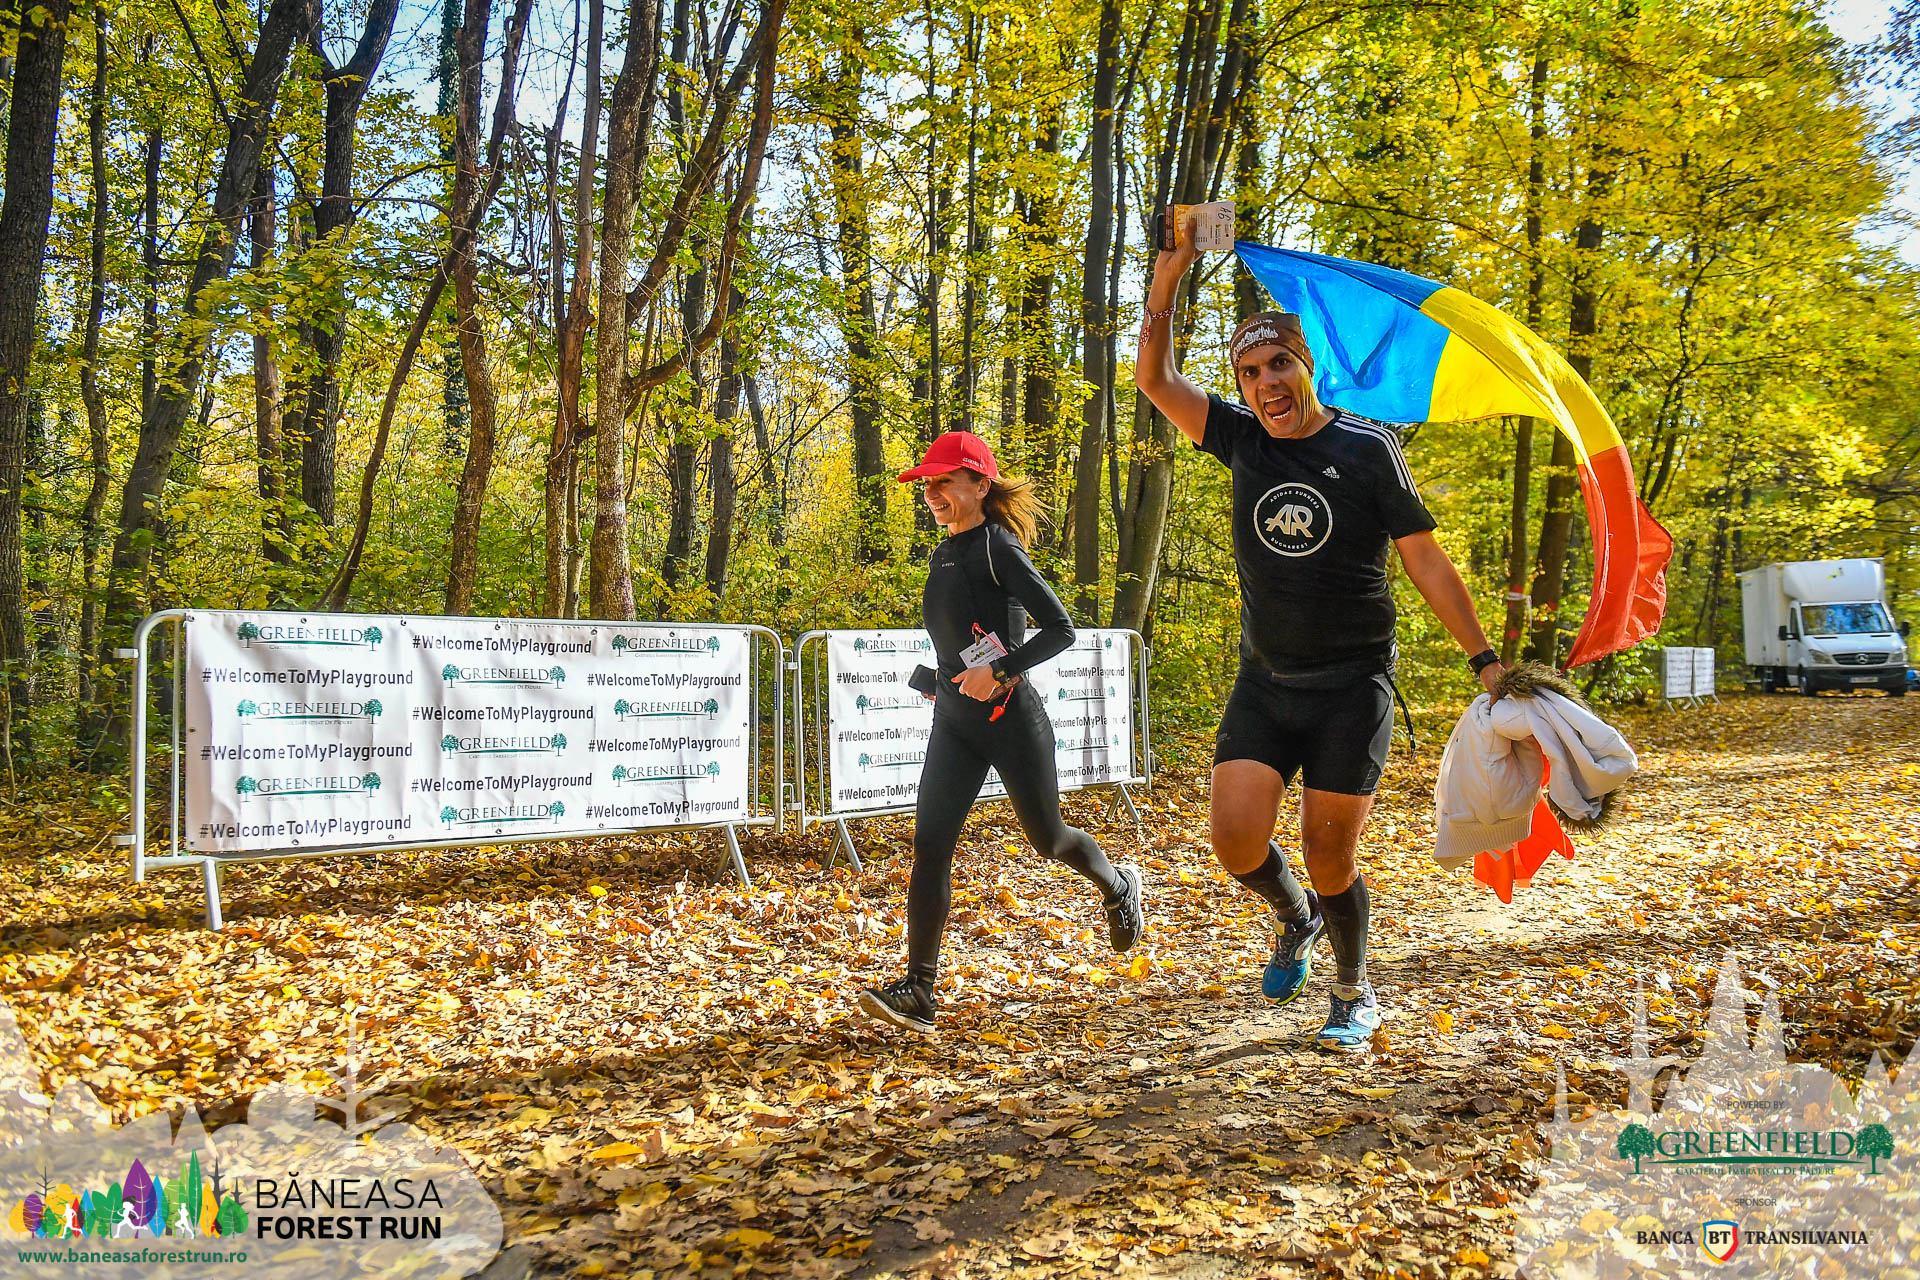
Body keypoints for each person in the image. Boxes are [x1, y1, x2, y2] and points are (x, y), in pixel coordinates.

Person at [1134, 222, 1508, 1053]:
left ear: (1308, 367)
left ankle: (1353, 988)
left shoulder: (1367, 448)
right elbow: (1155, 376)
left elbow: (1426, 561)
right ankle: (1293, 915)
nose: (1265, 382)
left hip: (1352, 685)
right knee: (1234, 840)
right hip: (1267, 681)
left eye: (1278, 365)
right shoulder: (1239, 439)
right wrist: (1169, 278)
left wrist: (1484, 660)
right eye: (1249, 371)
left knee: (1331, 854)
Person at [858, 431, 1148, 1036]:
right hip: (956, 723)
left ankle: (1118, 885)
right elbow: (957, 637)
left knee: (1049, 839)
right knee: (931, 846)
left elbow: (1061, 628)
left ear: (980, 485)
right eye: (927, 484)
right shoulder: (944, 551)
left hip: (1012, 720)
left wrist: (1002, 670)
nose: (932, 493)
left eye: (944, 482)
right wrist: (940, 678)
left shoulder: (997, 546)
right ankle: (919, 988)